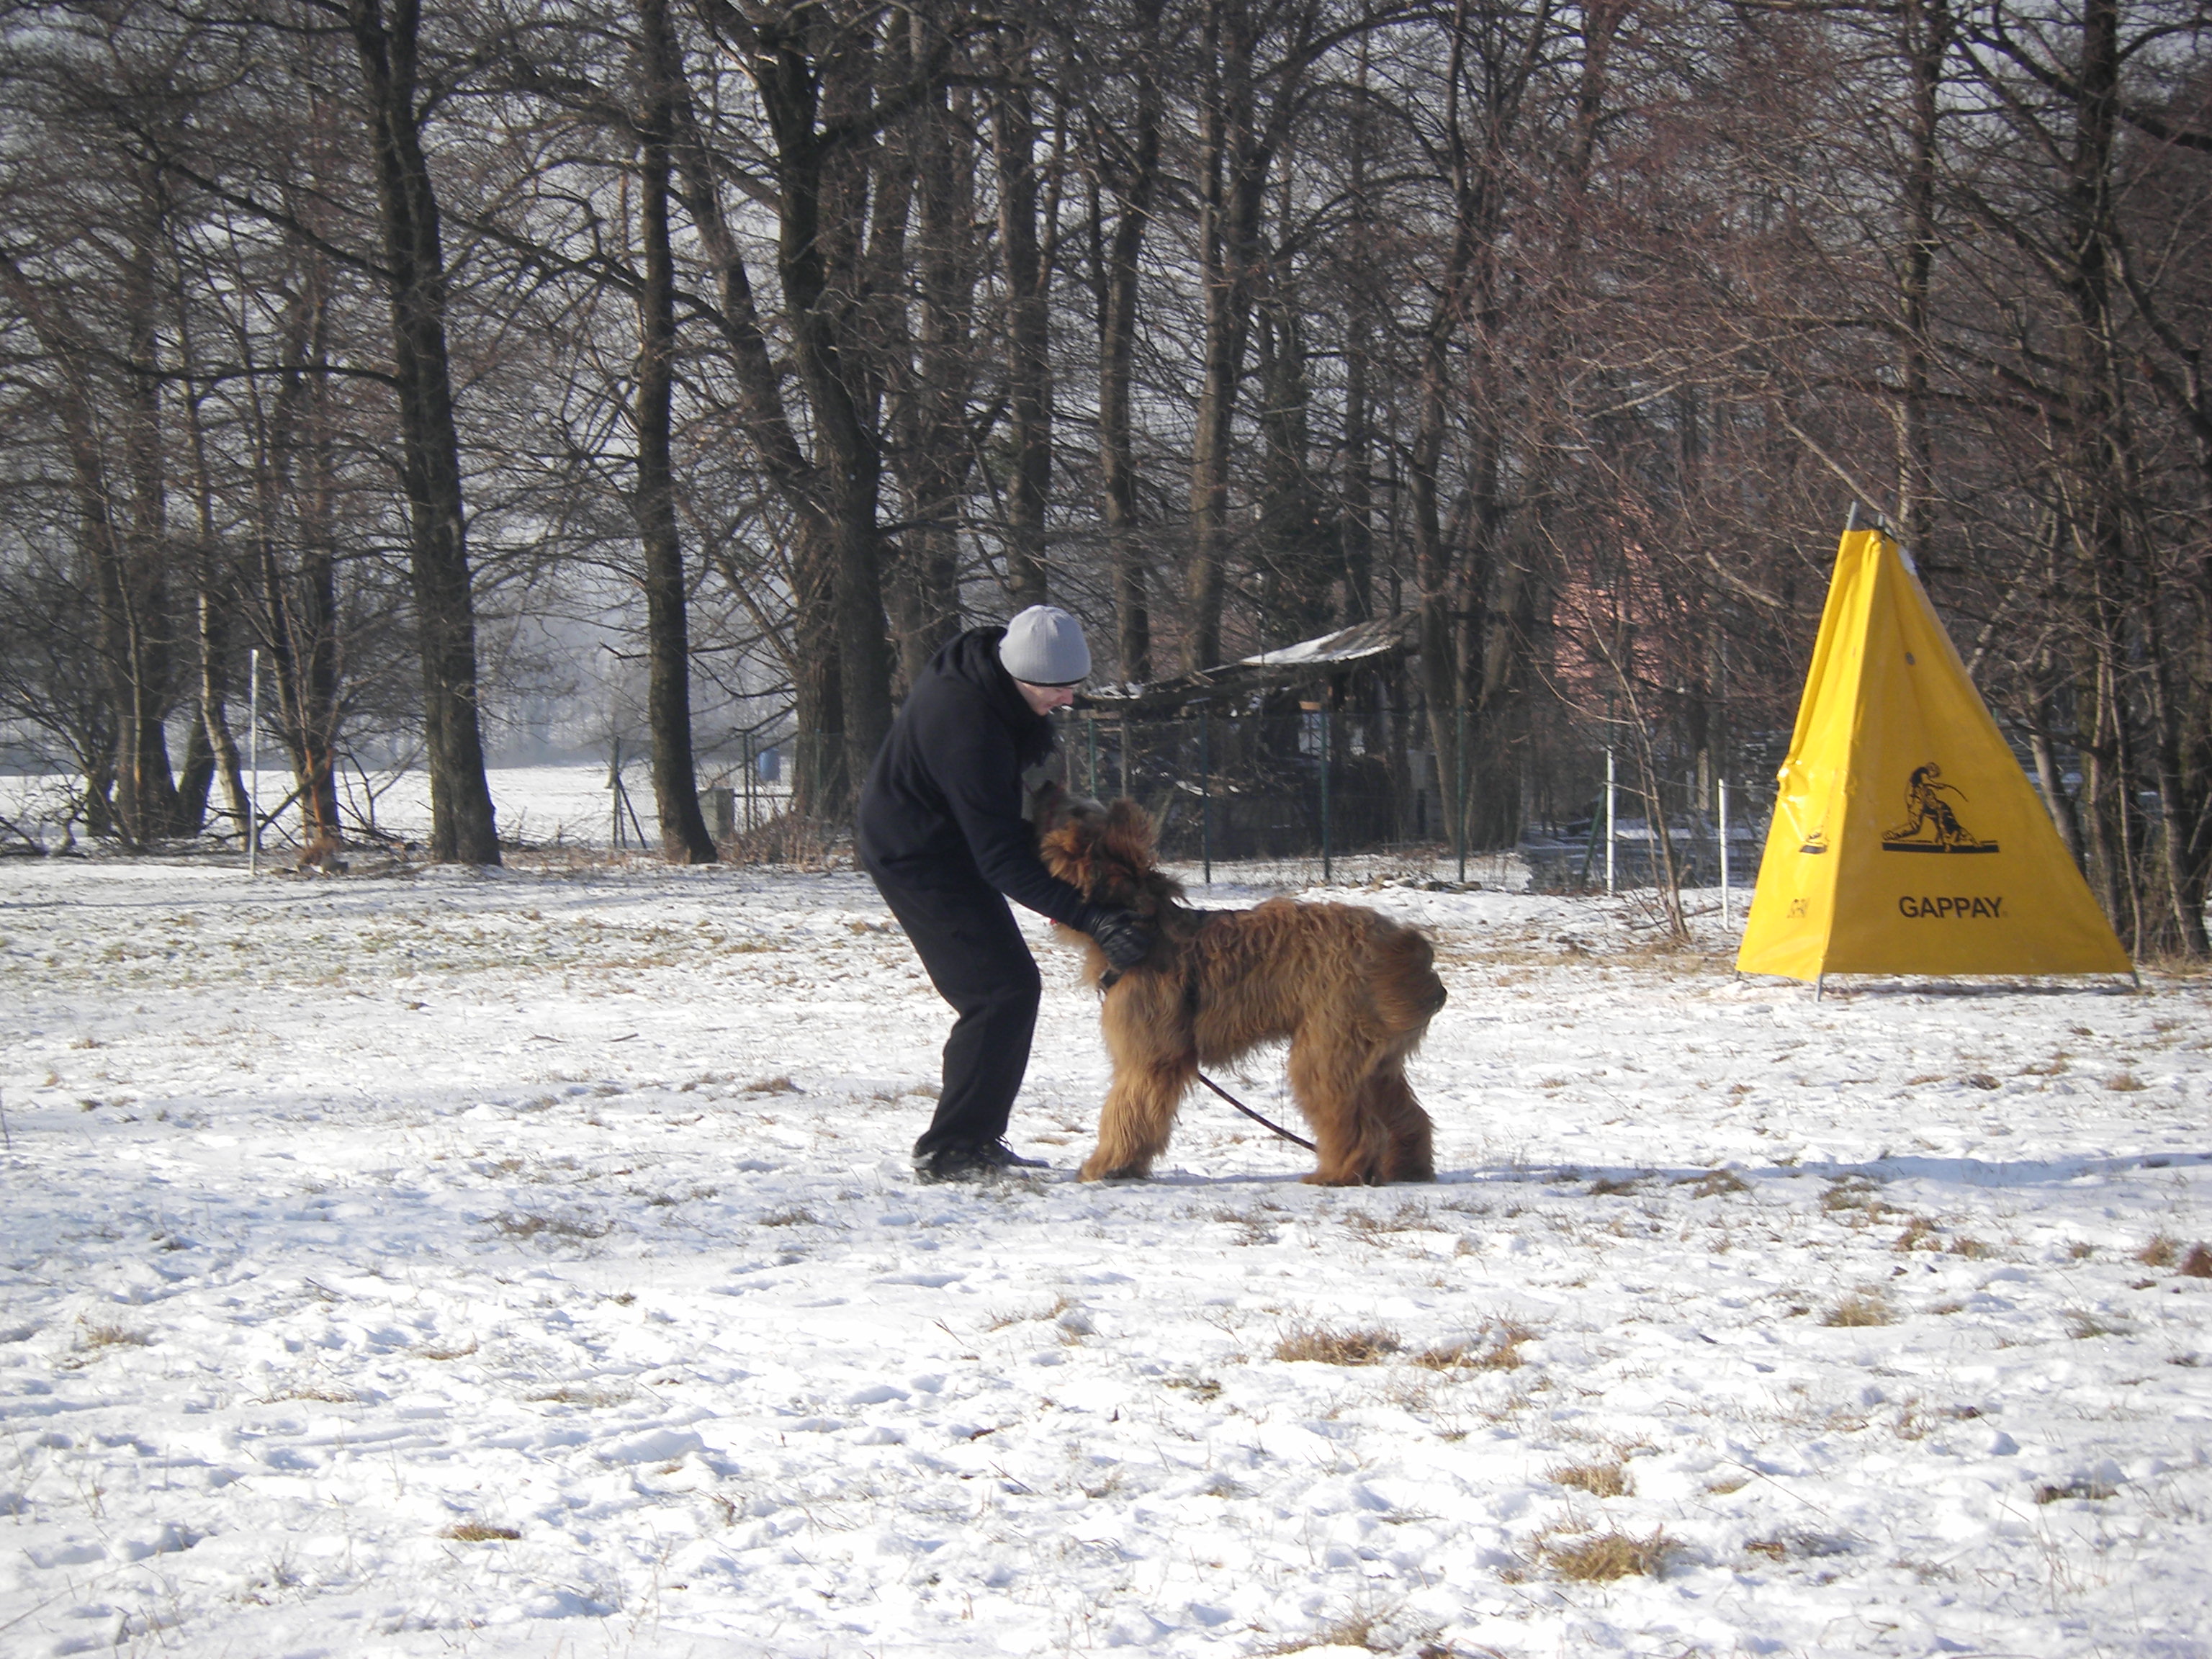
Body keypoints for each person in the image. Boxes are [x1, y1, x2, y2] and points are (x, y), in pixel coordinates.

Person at [857, 605, 1151, 1183]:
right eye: (1056, 691)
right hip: (915, 853)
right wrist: (1090, 918)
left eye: (1073, 687)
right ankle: (950, 1150)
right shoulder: (966, 725)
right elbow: (998, 859)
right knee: (997, 991)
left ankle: (974, 1139)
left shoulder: (995, 662)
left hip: (953, 837)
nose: (1066, 701)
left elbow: (1003, 821)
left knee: (1010, 988)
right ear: (1020, 677)